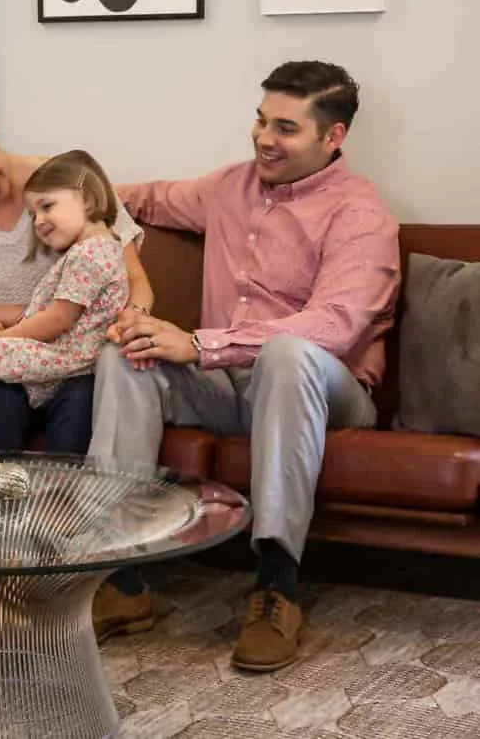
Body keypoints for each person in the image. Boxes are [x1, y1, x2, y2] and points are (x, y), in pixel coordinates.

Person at [90, 60, 399, 672]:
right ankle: (120, 576)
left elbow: (334, 326)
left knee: (288, 352)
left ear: (333, 136)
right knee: (127, 352)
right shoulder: (228, 188)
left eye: (285, 128)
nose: (263, 138)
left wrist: (201, 344)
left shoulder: (360, 213)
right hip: (229, 388)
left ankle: (277, 584)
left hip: (326, 392)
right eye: (261, 121)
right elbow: (137, 198)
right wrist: (41, 187)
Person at [0, 102, 153, 454]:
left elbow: (134, 281)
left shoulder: (69, 183)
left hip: (78, 366)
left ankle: (60, 498)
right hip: (11, 369)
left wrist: (132, 323)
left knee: (78, 406)